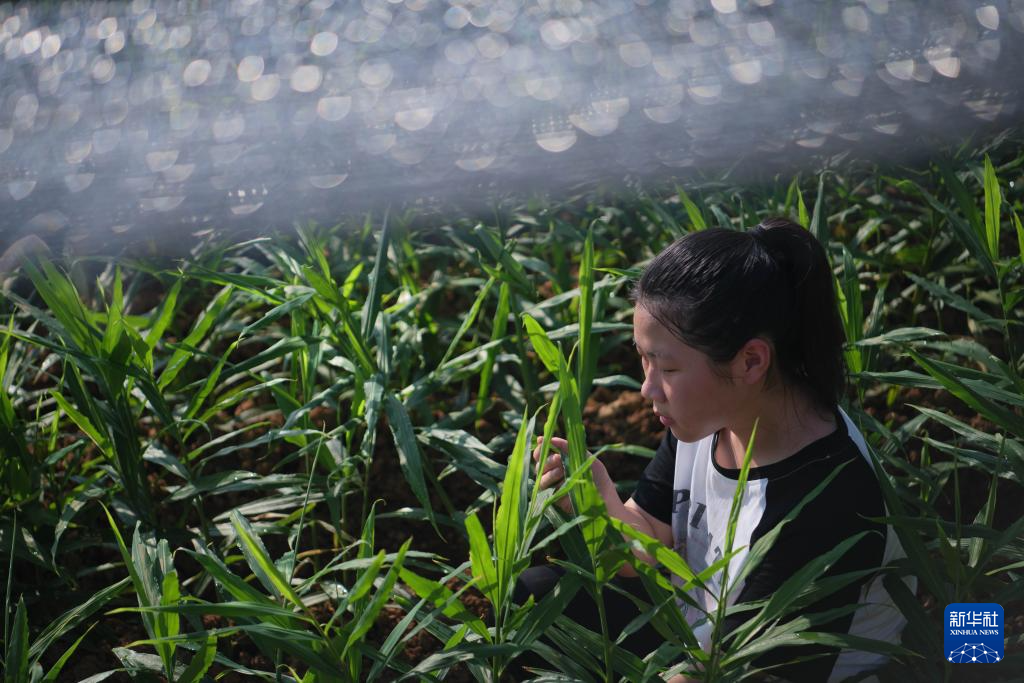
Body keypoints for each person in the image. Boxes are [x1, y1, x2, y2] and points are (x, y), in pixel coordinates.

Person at [520, 218, 907, 682]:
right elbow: (647, 541)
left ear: (750, 361)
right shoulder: (710, 417)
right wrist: (597, 506)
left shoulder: (825, 498)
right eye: (643, 359)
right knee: (537, 596)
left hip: (751, 670)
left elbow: (735, 672)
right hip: (695, 636)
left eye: (665, 367)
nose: (647, 389)